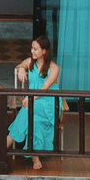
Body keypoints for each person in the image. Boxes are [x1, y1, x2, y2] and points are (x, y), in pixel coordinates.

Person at [5, 35, 60, 170]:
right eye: (31, 48)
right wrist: (22, 69)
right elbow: (19, 65)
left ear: (44, 51)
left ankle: (5, 144)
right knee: (31, 117)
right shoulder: (31, 62)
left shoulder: (54, 68)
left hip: (49, 103)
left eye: (35, 49)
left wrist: (30, 99)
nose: (32, 51)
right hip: (33, 102)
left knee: (27, 110)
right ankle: (34, 157)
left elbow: (44, 88)